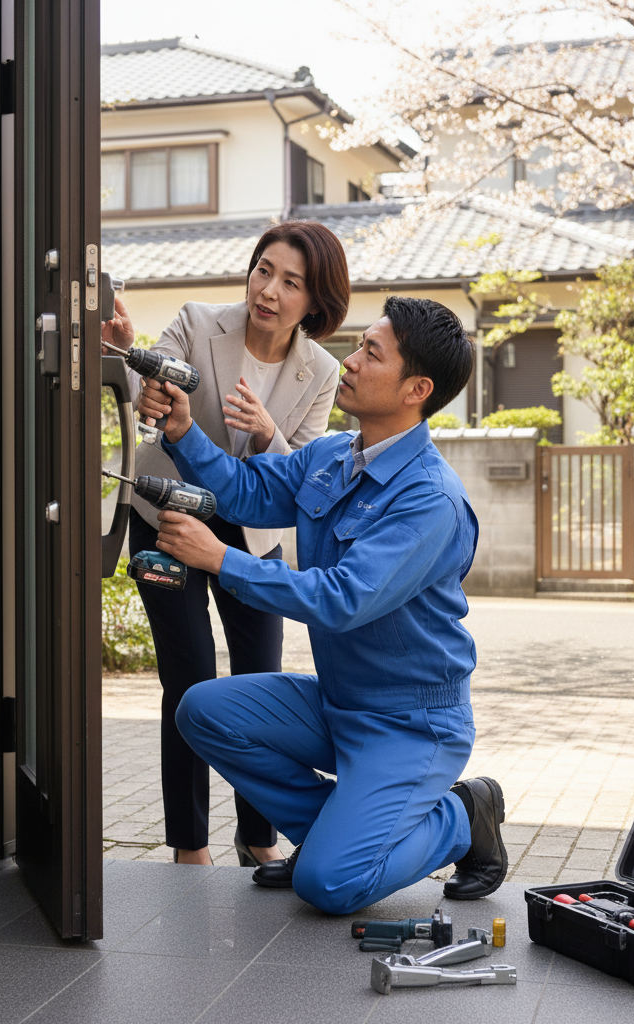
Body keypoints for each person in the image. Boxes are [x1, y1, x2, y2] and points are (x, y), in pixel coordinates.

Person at [141, 295, 508, 915]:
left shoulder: (430, 500)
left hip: (410, 725)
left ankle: (461, 817)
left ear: (416, 389)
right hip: (339, 702)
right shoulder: (333, 455)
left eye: (372, 353)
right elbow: (247, 492)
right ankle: (332, 837)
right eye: (359, 345)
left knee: (329, 886)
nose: (351, 361)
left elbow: (341, 599)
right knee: (202, 710)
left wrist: (220, 559)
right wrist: (182, 431)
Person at [101, 222, 347, 867]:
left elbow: (306, 473)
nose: (268, 291)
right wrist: (130, 360)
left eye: (291, 282)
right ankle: (189, 846)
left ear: (314, 301)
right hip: (169, 516)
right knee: (188, 681)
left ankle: (259, 838)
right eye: (264, 270)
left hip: (252, 535)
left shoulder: (321, 370)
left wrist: (268, 435)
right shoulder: (196, 320)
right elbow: (150, 395)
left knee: (260, 686)